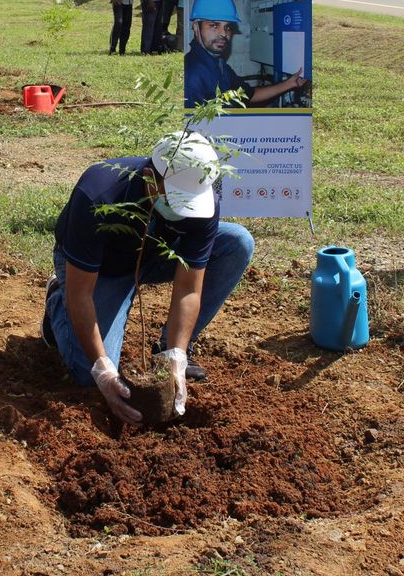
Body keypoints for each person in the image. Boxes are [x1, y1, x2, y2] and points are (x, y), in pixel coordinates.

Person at [41, 130, 255, 424]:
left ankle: (168, 348)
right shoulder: (98, 194)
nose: (184, 211)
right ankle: (56, 299)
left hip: (158, 255)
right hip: (98, 272)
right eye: (176, 199)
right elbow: (81, 295)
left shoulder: (203, 199)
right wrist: (103, 369)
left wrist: (176, 353)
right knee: (87, 374)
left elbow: (188, 290)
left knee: (237, 243)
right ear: (149, 178)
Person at [184, 0, 308, 107]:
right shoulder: (191, 75)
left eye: (227, 27)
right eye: (214, 25)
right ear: (196, 28)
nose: (223, 33)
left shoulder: (219, 65)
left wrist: (289, 83)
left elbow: (249, 95)